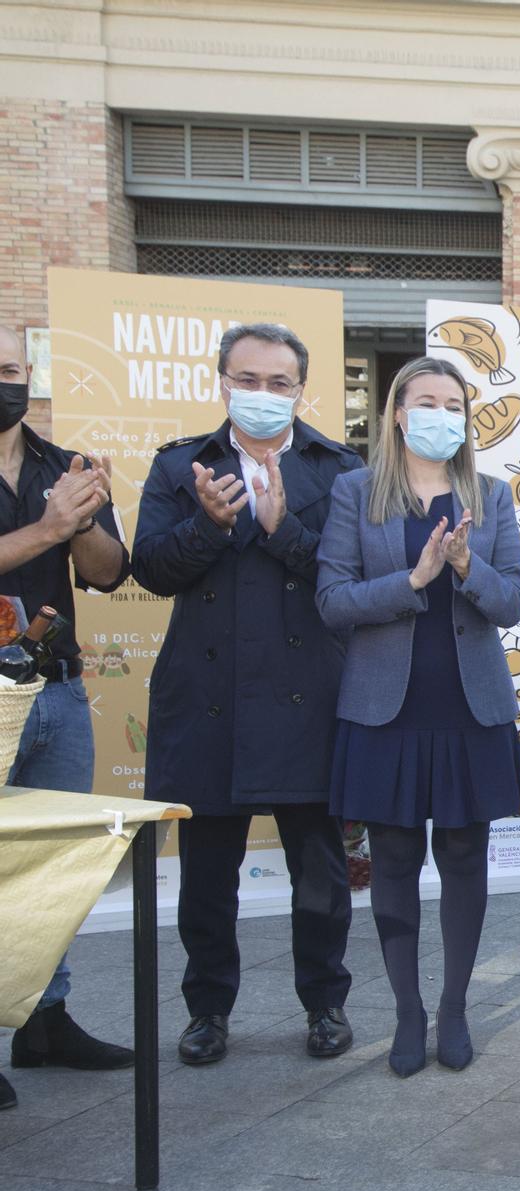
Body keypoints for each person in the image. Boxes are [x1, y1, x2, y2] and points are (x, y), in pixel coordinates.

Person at [133, 323, 363, 1066]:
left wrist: (277, 525)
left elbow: (345, 577)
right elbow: (151, 570)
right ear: (221, 380)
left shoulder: (339, 467)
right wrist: (209, 523)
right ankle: (207, 1010)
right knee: (205, 873)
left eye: (279, 383)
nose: (262, 395)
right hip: (208, 695)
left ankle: (325, 1002)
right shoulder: (181, 465)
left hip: (308, 694)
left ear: (302, 388)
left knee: (320, 871)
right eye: (248, 379)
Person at [316, 358, 520, 1076]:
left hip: (471, 709)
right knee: (396, 859)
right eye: (427, 401)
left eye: (454, 403)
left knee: (465, 857)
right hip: (386, 710)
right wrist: (412, 581)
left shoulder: (491, 497)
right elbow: (332, 600)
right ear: (399, 414)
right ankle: (407, 1009)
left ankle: (455, 1007)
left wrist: (467, 566)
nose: (442, 413)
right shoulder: (355, 493)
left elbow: (512, 602)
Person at [0, 323, 134, 1111]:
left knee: (53, 868)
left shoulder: (64, 465)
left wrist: (82, 520)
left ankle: (45, 1020)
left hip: (55, 688)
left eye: (12, 368)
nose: (5, 381)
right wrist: (47, 527)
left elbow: (112, 573)